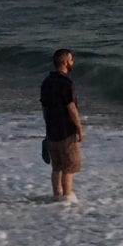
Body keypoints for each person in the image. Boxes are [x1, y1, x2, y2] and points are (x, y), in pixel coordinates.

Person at [40, 48, 84, 202]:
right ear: (65, 62)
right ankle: (67, 197)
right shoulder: (65, 83)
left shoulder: (47, 82)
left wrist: (47, 128)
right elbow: (71, 107)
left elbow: (44, 107)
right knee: (69, 166)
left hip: (52, 131)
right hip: (66, 131)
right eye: (71, 60)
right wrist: (79, 128)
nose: (72, 63)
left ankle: (56, 196)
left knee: (57, 166)